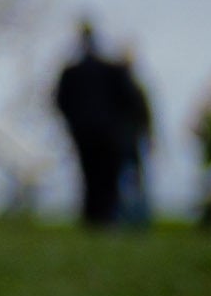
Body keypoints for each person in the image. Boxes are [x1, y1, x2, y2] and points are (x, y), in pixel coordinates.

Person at [51, 22, 153, 230]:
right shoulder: (112, 71)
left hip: (83, 132)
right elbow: (130, 101)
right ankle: (106, 219)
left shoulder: (72, 72)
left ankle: (91, 219)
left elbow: (59, 101)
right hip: (109, 133)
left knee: (89, 175)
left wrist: (74, 122)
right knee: (107, 176)